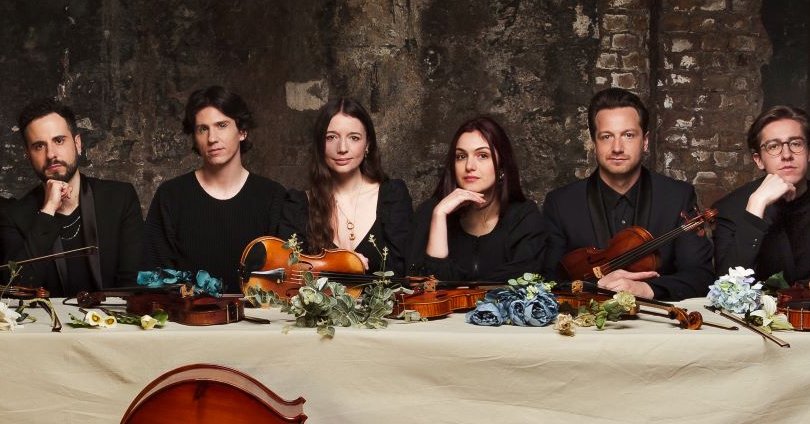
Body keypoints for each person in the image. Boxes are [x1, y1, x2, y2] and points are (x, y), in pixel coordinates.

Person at [540, 87, 712, 300]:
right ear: (594, 142)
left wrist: (646, 289)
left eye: (628, 135)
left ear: (645, 141)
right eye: (606, 136)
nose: (617, 147)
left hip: (658, 328)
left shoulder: (678, 197)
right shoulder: (561, 203)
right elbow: (547, 280)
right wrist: (593, 287)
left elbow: (700, 276)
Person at [143, 86, 289, 292]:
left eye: (221, 125)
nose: (212, 138)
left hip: (259, 321)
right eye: (203, 129)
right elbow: (155, 276)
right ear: (194, 136)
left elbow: (284, 279)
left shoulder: (273, 196)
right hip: (187, 320)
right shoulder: (171, 195)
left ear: (242, 131)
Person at [0, 98, 144, 294]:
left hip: (113, 321)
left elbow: (132, 285)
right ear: (28, 154)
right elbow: (18, 288)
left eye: (59, 141)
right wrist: (48, 211)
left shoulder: (120, 198)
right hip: (48, 323)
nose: (51, 154)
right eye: (39, 146)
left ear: (77, 144)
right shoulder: (14, 216)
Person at [709, 105, 810, 286]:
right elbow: (726, 288)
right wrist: (756, 206)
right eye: (773, 146)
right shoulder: (729, 209)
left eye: (795, 143)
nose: (786, 155)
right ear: (758, 160)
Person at [411, 115, 560, 284]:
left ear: (501, 166)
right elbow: (421, 288)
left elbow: (519, 282)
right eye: (461, 156)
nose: (469, 166)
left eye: (482, 155)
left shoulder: (524, 217)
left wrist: (461, 286)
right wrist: (439, 216)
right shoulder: (430, 212)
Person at [276, 96, 414, 276]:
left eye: (354, 138)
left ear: (368, 145)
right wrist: (338, 263)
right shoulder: (298, 206)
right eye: (331, 137)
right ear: (319, 144)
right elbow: (286, 273)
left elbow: (406, 272)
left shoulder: (392, 196)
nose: (342, 148)